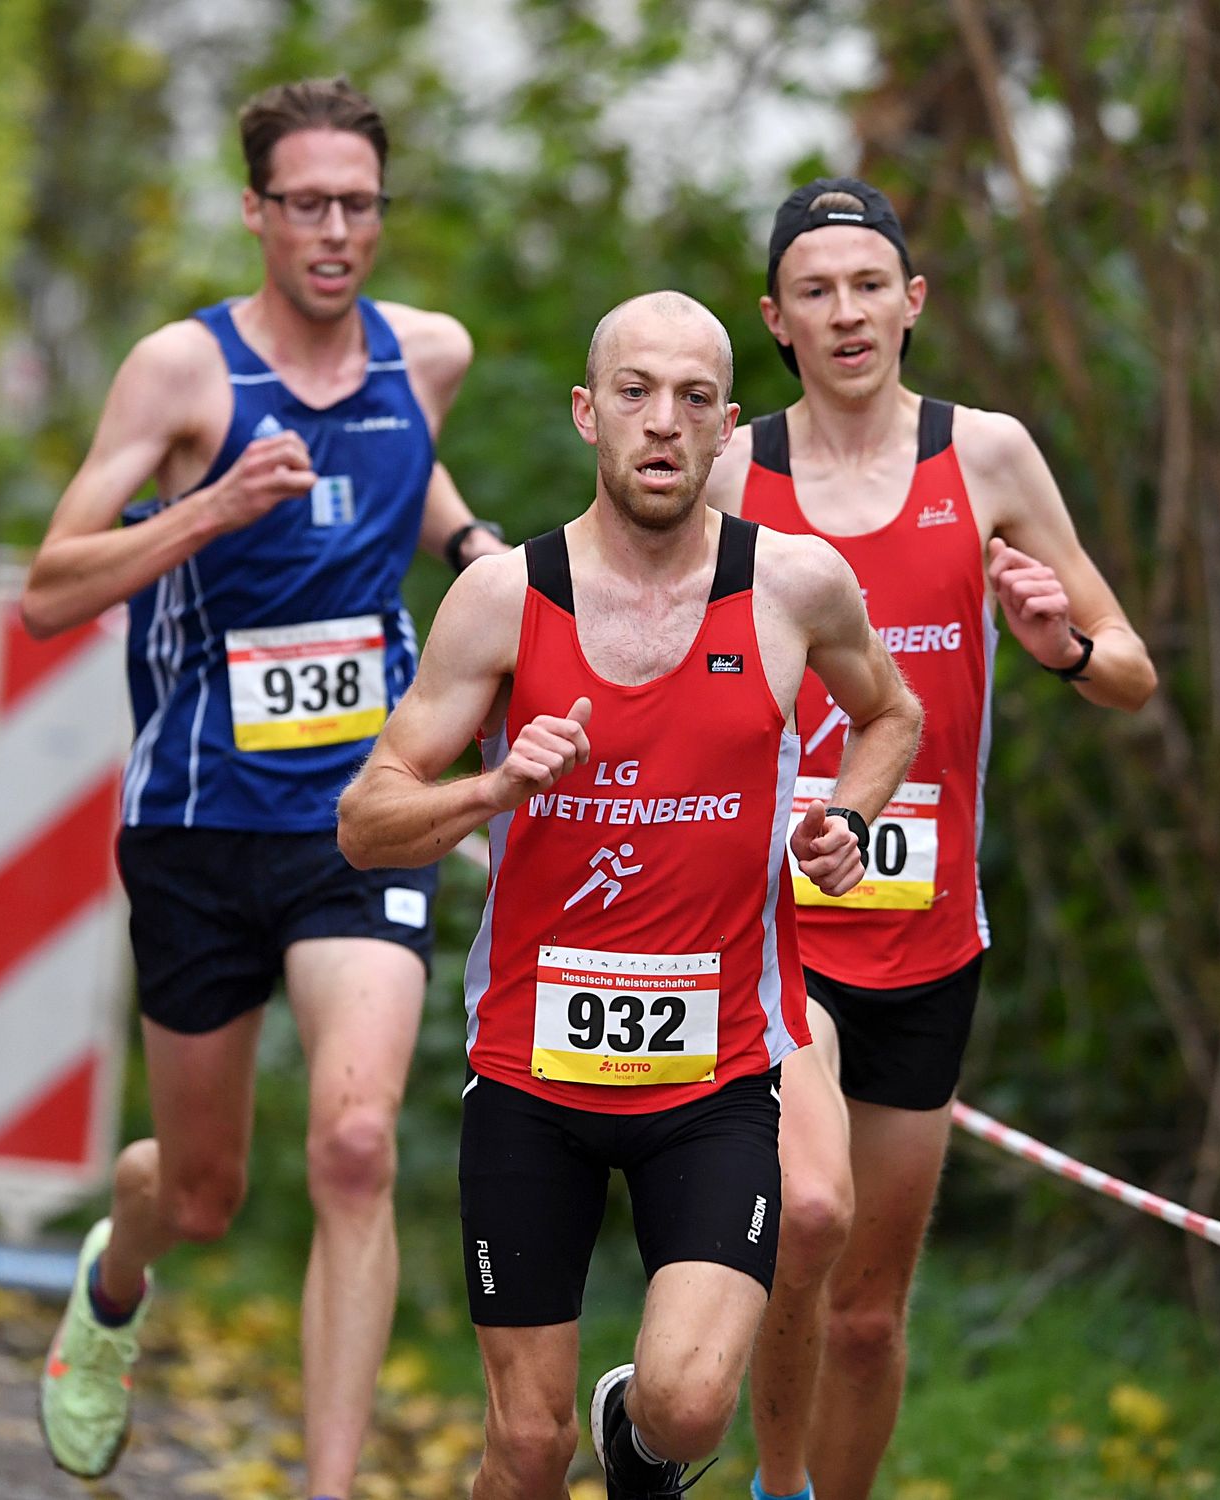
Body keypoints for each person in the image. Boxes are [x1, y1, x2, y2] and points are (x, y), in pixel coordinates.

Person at [336, 290, 923, 1500]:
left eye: (695, 398)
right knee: (525, 1448)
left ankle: (640, 1440)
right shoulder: (505, 598)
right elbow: (364, 820)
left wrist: (852, 821)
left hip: (715, 1077)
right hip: (529, 1075)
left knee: (689, 1406)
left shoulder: (793, 585)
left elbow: (892, 714)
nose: (663, 422)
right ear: (586, 414)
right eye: (636, 394)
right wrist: (494, 787)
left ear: (726, 429)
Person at [20, 77, 508, 1494]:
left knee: (355, 1145)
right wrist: (212, 507)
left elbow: (398, 462)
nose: (336, 230)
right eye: (308, 204)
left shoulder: (428, 354)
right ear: (255, 211)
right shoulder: (183, 374)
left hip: (363, 812)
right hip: (197, 820)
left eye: (359, 204)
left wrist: (468, 541)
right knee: (203, 1192)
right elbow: (51, 590)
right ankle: (118, 1266)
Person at [704, 178, 1158, 1499]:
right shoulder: (735, 470)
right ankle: (775, 1484)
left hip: (926, 941)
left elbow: (1129, 669)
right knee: (805, 1220)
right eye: (815, 291)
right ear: (777, 321)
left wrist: (1059, 646)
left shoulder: (989, 456)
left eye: (867, 286)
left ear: (911, 302)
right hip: (771, 930)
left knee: (864, 1312)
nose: (845, 313)